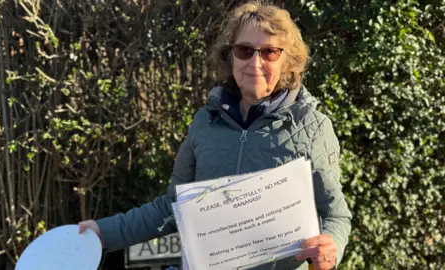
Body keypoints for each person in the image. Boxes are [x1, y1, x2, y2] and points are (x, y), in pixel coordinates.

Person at [79, 1, 352, 269]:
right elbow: (174, 207)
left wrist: (330, 248)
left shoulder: (312, 126)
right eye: (245, 50)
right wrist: (104, 233)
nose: (255, 63)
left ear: (287, 61)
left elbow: (336, 215)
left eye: (269, 52)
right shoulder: (204, 122)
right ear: (230, 55)